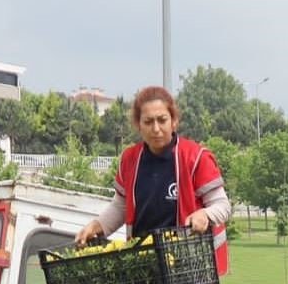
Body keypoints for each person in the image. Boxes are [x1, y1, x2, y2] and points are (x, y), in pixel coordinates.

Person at [74, 85, 231, 273]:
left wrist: (205, 214)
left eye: (162, 120)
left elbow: (223, 206)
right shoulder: (130, 159)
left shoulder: (195, 157)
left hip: (190, 268)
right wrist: (97, 226)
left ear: (174, 121)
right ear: (138, 125)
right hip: (143, 266)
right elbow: (121, 207)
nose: (156, 129)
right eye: (148, 122)